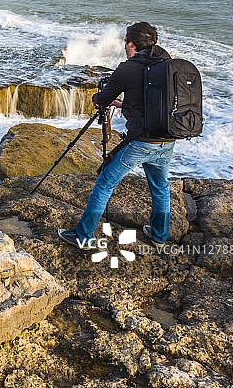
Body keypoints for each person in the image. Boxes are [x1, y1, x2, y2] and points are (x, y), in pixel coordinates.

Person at [58, 22, 174, 249]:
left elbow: (101, 99)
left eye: (125, 44)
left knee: (104, 184)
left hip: (141, 142)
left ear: (131, 44)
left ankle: (83, 237)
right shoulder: (166, 64)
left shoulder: (128, 68)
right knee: (160, 187)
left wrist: (99, 99)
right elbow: (150, 101)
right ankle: (160, 236)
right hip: (166, 138)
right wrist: (123, 103)